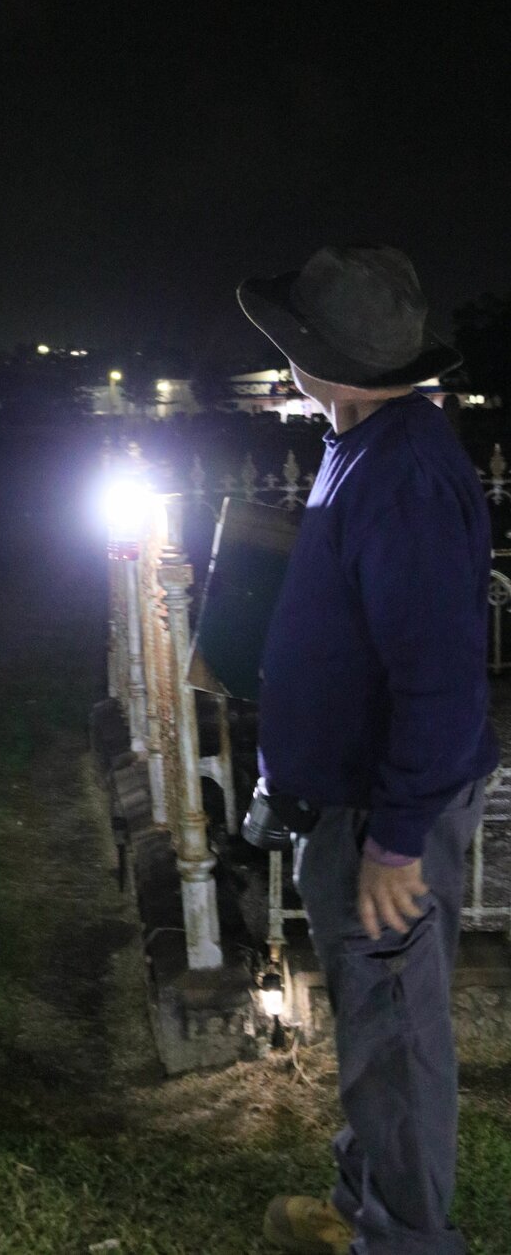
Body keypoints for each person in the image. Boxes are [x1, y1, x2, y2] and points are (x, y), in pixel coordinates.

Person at [237, 248, 498, 1255]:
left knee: (394, 1034)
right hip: (355, 804)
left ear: (323, 362)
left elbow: (437, 679)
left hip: (385, 816)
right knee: (373, 1021)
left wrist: (394, 841)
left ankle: (406, 1241)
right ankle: (365, 1211)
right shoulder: (367, 439)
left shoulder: (401, 478)